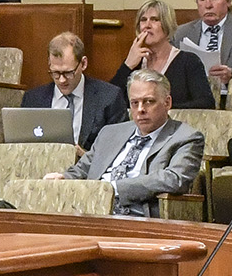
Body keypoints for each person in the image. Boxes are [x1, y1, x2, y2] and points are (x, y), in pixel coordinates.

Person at [56, 69, 204, 219]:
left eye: (149, 101)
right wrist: (62, 178)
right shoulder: (110, 133)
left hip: (138, 217)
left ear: (167, 102)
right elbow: (83, 170)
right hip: (91, 211)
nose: (140, 110)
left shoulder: (186, 137)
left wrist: (114, 188)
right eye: (135, 103)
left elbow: (174, 179)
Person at [21, 32, 126, 150]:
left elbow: (118, 150)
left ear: (83, 63)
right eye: (55, 73)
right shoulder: (32, 99)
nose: (62, 80)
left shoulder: (109, 97)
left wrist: (85, 157)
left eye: (68, 73)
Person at [116, 1, 212, 110]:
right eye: (143, 20)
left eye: (154, 20)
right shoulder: (135, 62)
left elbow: (206, 103)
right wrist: (127, 65)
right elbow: (110, 101)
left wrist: (159, 109)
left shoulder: (188, 61)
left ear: (167, 25)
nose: (147, 25)